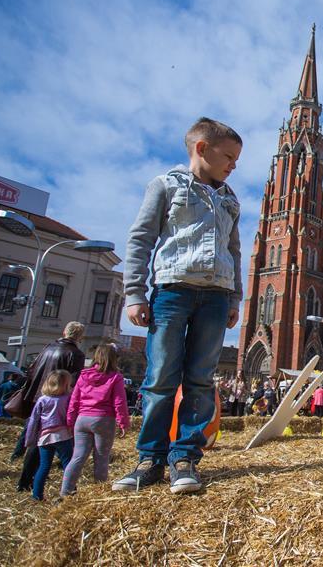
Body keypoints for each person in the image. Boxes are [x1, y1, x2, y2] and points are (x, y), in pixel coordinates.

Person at [115, 117, 242, 495]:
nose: (234, 164)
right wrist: (134, 292)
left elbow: (233, 251)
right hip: (172, 291)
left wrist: (235, 297)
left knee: (201, 381)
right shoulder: (166, 185)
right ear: (201, 148)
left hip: (216, 297)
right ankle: (149, 460)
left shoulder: (229, 198)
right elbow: (141, 238)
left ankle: (185, 457)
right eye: (229, 156)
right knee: (160, 379)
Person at [13, 322, 86, 491]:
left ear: (64, 332)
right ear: (80, 337)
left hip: (38, 397)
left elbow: (32, 370)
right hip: (59, 403)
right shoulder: (75, 354)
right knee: (61, 443)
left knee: (35, 442)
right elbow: (74, 383)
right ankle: (67, 486)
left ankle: (24, 481)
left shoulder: (48, 348)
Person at [61, 343, 130, 497]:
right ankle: (98, 492)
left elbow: (74, 400)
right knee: (102, 457)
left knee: (78, 457)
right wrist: (123, 422)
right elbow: (119, 402)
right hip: (103, 419)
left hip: (82, 419)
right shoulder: (115, 377)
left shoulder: (83, 375)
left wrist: (70, 421)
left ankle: (66, 491)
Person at [25, 370, 74, 501]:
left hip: (44, 437)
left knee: (44, 466)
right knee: (68, 464)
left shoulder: (42, 400)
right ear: (65, 385)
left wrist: (30, 439)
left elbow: (33, 420)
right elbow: (70, 416)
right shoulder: (66, 399)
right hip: (62, 435)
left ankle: (37, 495)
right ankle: (70, 491)